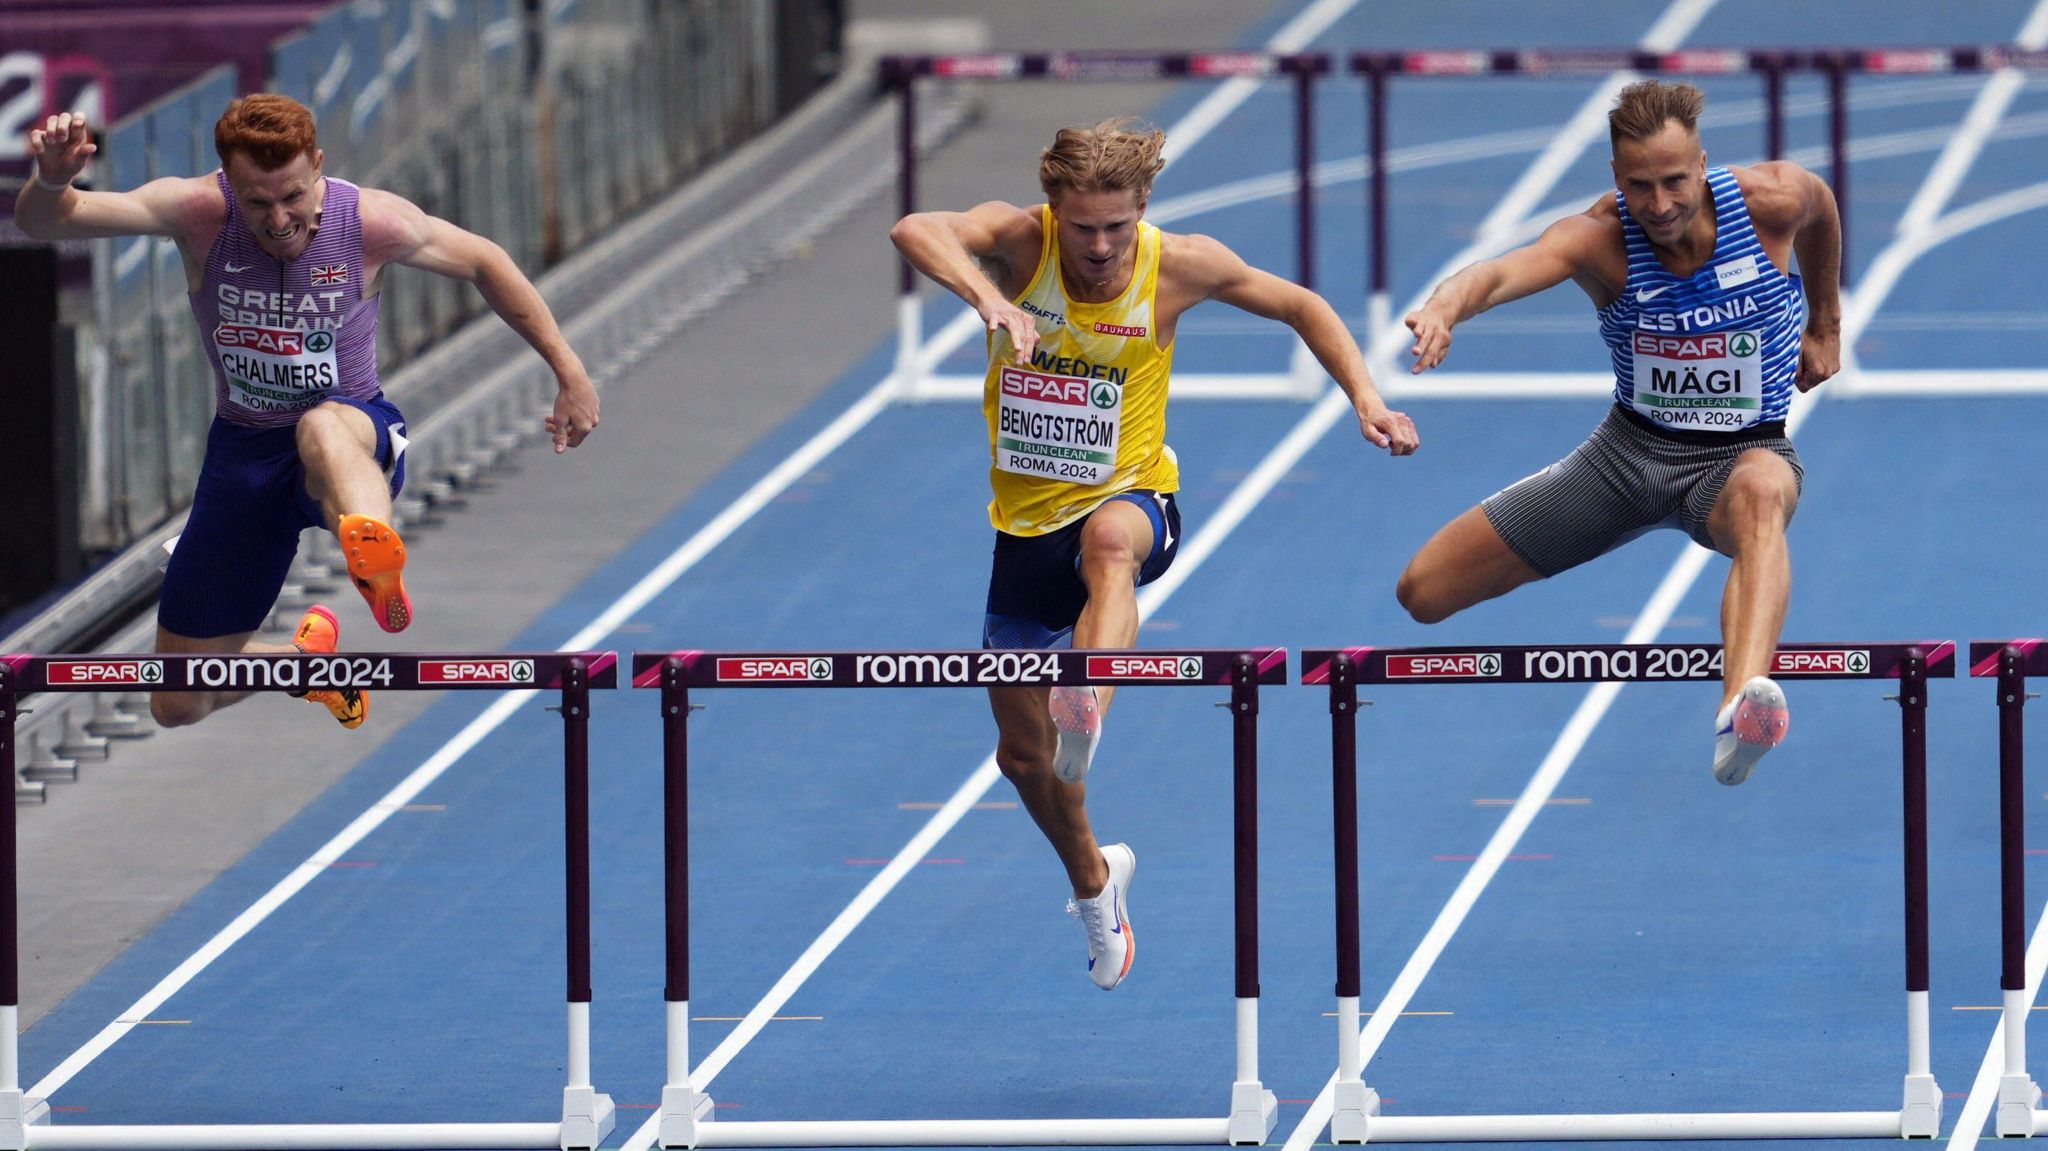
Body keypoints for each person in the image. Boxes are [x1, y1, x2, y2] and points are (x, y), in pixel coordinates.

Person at [891, 118, 1418, 990]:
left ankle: (1088, 696)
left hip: (1135, 502)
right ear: (1055, 209)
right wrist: (990, 300)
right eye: (1084, 228)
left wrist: (1365, 397)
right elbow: (917, 230)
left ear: (1143, 211)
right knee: (1021, 762)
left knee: (1107, 544)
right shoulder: (1023, 244)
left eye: (1117, 228)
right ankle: (1097, 883)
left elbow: (1301, 305)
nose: (1099, 248)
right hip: (1023, 528)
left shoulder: (1179, 264)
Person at [17, 95, 599, 731]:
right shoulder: (196, 212)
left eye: (293, 196)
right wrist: (51, 178)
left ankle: (376, 552)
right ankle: (305, 663)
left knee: (317, 425)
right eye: (258, 202)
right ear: (228, 184)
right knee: (179, 698)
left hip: (353, 433)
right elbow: (53, 221)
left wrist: (568, 372)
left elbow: (486, 261)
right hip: (243, 454)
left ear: (318, 165)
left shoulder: (372, 221)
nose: (280, 219)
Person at [1396, 80, 1841, 787]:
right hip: (1627, 456)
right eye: (1640, 186)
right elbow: (1499, 272)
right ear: (1615, 178)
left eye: (1673, 182)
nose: (1659, 205)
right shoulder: (1600, 240)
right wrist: (1444, 307)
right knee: (1423, 591)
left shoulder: (1771, 204)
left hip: (1741, 455)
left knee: (1762, 494)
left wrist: (1826, 321)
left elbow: (1821, 209)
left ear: (1702, 166)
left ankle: (1740, 710)